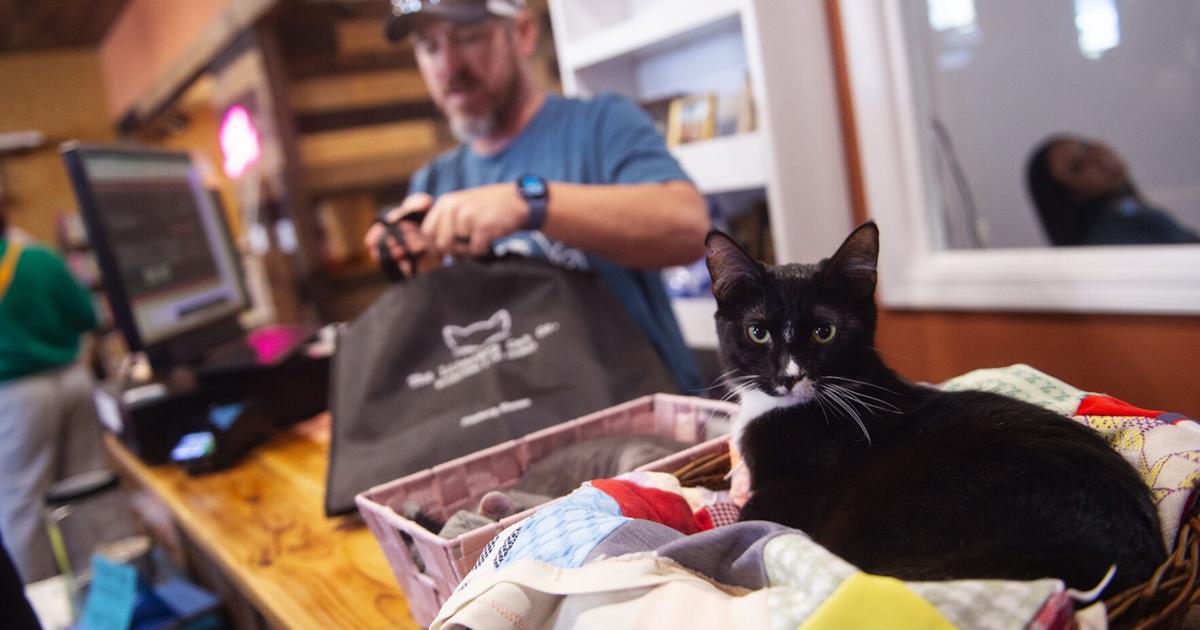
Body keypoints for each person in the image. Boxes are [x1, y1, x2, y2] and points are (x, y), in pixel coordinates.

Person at [364, 0, 710, 392]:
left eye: (467, 37)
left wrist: (530, 202)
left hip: (648, 425)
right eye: (430, 47)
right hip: (521, 431)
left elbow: (689, 228)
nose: (448, 66)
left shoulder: (601, 124)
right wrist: (418, 262)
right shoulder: (432, 182)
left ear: (523, 33)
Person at [0, 198, 105, 583]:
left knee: (22, 505)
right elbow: (86, 316)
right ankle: (98, 587)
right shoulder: (40, 258)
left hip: (14, 396)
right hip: (72, 380)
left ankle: (44, 605)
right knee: (86, 488)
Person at [1025, 133, 1200, 246]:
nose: (1096, 158)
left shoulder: (1125, 209)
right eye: (1077, 166)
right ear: (1069, 196)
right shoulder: (1118, 227)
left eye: (1086, 146)